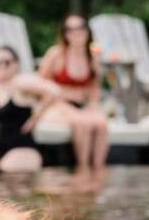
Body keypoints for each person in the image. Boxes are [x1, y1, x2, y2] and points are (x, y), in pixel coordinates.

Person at [0, 46, 67, 172]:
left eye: (6, 62)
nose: (1, 66)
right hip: (2, 152)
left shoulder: (21, 82)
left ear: (16, 64)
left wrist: (35, 117)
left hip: (23, 151)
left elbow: (54, 91)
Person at [37, 14, 111, 170]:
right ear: (64, 34)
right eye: (70, 29)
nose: (76, 32)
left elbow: (94, 87)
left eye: (80, 28)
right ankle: (82, 169)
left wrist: (93, 105)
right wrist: (66, 93)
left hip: (83, 104)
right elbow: (39, 84)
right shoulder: (56, 54)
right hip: (57, 104)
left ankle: (99, 170)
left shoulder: (92, 56)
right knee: (82, 123)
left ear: (87, 31)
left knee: (102, 124)